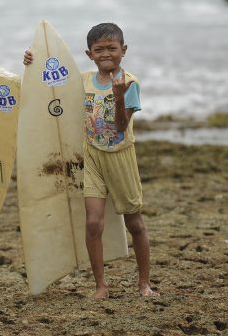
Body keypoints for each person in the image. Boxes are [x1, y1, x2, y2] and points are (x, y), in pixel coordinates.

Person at [24, 23, 159, 298]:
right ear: (89, 54)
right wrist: (32, 62)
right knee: (93, 223)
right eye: (99, 50)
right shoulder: (83, 81)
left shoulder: (130, 83)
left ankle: (144, 283)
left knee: (135, 224)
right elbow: (50, 87)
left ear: (124, 50)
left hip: (121, 157)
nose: (106, 54)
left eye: (112, 48)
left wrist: (119, 97)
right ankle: (101, 286)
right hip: (93, 157)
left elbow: (121, 126)